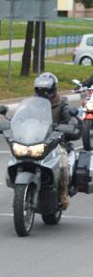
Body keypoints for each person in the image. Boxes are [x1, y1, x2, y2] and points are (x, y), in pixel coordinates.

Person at [34, 72, 81, 208]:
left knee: (63, 165)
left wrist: (70, 124)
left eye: (47, 88)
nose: (44, 91)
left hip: (55, 143)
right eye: (41, 88)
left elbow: (70, 119)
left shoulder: (61, 104)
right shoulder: (32, 104)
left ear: (53, 89)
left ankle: (62, 193)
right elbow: (21, 117)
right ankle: (19, 193)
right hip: (34, 142)